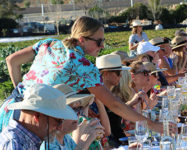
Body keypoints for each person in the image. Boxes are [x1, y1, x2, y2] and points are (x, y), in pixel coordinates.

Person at [2, 16, 164, 134]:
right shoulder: (84, 67)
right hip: (37, 121)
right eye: (99, 42)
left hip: (11, 109)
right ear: (82, 40)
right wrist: (151, 124)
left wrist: (22, 95)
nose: (102, 46)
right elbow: (114, 104)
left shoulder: (49, 43)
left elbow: (12, 61)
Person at [0, 84, 77, 150]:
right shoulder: (14, 143)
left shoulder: (23, 140)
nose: (59, 127)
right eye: (58, 121)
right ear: (37, 116)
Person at [40, 84, 105, 150]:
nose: (78, 115)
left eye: (80, 108)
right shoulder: (47, 144)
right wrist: (85, 141)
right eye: (73, 109)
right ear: (56, 115)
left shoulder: (66, 139)